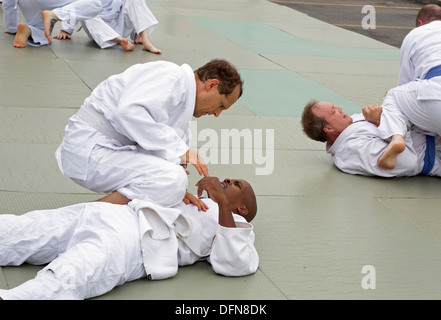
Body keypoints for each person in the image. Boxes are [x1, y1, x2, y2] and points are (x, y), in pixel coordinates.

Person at [0, 176, 259, 300]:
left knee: (74, 271)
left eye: (237, 184)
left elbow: (236, 263)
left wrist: (223, 203)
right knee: (27, 229)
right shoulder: (197, 201)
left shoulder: (237, 224)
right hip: (112, 213)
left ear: (243, 209)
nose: (227, 179)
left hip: (137, 239)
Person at [55, 59, 244, 206]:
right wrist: (180, 153)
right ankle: (88, 214)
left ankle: (94, 212)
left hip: (107, 150)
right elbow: (129, 112)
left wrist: (175, 193)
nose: (217, 114)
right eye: (220, 105)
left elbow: (159, 161)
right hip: (90, 146)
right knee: (172, 179)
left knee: (173, 181)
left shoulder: (182, 113)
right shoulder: (170, 76)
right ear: (211, 85)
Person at [301, 100, 441, 178]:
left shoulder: (352, 122)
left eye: (335, 105)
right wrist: (381, 122)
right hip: (433, 154)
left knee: (397, 97)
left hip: (429, 129)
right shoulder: (351, 150)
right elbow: (407, 162)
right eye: (333, 111)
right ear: (329, 129)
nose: (339, 108)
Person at [54, 0, 161, 53]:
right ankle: (120, 40)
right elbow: (76, 5)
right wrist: (66, 30)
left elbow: (134, 7)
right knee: (87, 12)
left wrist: (136, 33)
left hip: (119, 23)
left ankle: (146, 41)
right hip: (99, 29)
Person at [2, 0, 102, 47]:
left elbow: (8, 4)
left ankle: (28, 30)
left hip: (27, 3)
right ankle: (55, 14)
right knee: (95, 4)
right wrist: (67, 29)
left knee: (43, 31)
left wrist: (12, 28)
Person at [399, 4, 441, 85]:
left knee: (392, 95)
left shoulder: (414, 34)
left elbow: (405, 80)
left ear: (420, 23)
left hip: (434, 83)